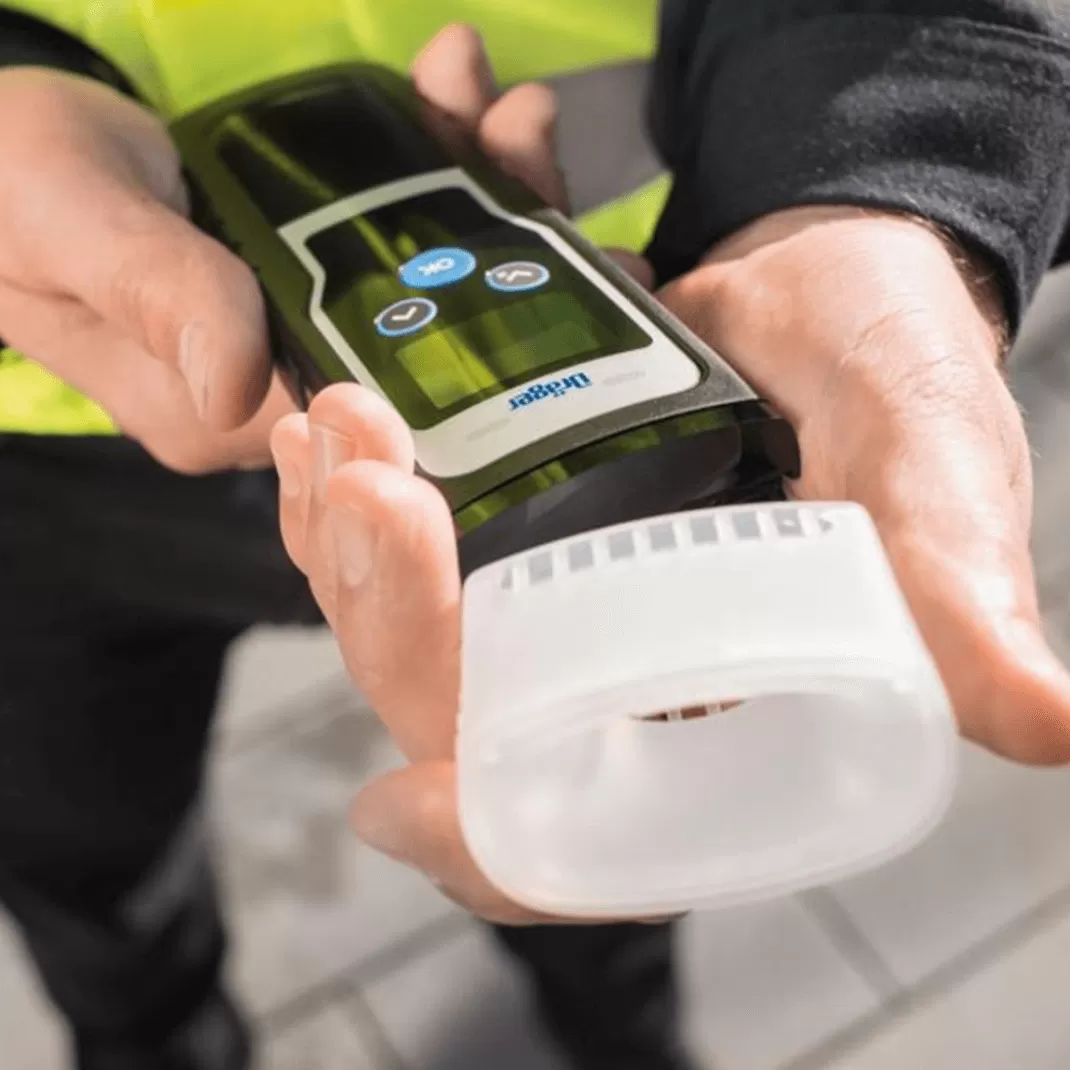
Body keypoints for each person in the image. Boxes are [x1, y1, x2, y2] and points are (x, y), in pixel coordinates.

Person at [0, 2, 1068, 1070]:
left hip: (658, 360)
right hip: (51, 466)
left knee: (616, 822)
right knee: (93, 861)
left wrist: (870, 186)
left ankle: (624, 1037)